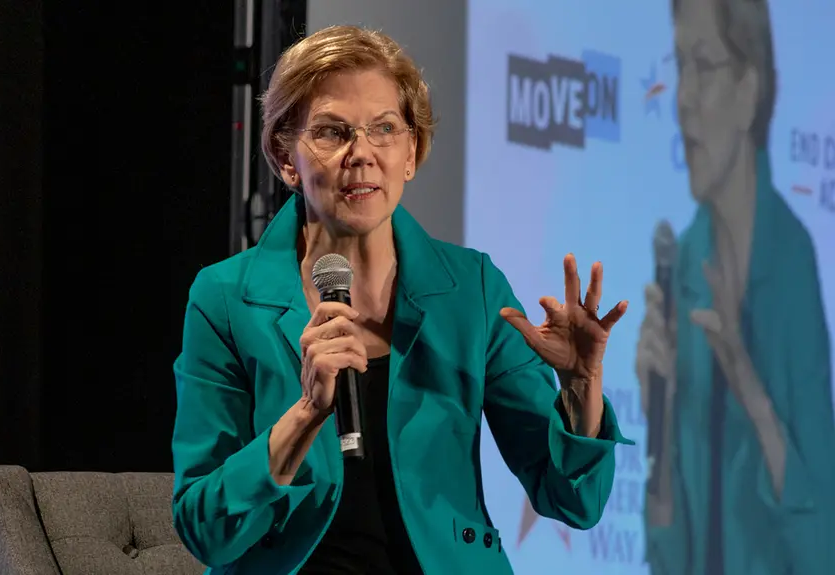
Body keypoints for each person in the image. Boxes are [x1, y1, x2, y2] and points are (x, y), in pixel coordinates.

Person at [172, 25, 633, 575]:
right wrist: (305, 415)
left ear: (411, 151)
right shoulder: (225, 299)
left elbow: (573, 501)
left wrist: (582, 390)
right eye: (332, 132)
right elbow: (205, 531)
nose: (361, 154)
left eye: (384, 128)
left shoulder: (472, 290)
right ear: (285, 156)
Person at [637, 0, 835, 573]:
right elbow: (666, 557)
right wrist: (664, 411)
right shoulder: (689, 260)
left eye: (705, 66)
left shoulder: (789, 261)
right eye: (679, 67)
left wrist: (746, 379)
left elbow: (822, 546)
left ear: (750, 89)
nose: (683, 98)